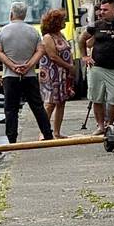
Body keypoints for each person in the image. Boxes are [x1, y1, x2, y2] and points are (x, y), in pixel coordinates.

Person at [0, 2, 53, 144]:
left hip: (10, 75)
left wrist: (12, 65)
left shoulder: (3, 31)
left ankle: (12, 137)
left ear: (11, 13)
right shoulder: (32, 31)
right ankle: (47, 132)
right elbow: (41, 50)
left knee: (11, 108)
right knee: (37, 106)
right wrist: (29, 64)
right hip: (29, 74)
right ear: (25, 14)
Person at [81, 0, 114, 134]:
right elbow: (82, 39)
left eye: (105, 10)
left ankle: (110, 124)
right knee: (96, 97)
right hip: (97, 66)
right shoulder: (96, 25)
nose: (101, 12)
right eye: (101, 9)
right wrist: (85, 56)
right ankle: (100, 126)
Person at [38, 8, 76, 137]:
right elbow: (53, 56)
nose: (64, 22)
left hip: (62, 74)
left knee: (61, 102)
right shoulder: (48, 37)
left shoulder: (61, 35)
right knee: (50, 103)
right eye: (62, 20)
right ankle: (44, 132)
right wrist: (69, 66)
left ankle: (57, 132)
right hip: (52, 73)